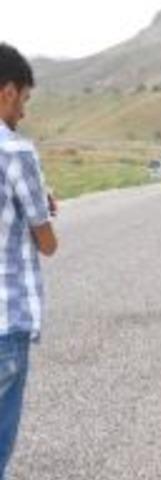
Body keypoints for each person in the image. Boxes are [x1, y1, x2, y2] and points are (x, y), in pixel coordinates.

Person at [0, 43, 59, 479]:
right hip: (5, 322)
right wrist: (41, 210)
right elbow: (46, 241)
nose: (23, 111)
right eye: (24, 100)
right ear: (7, 92)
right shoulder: (16, 152)